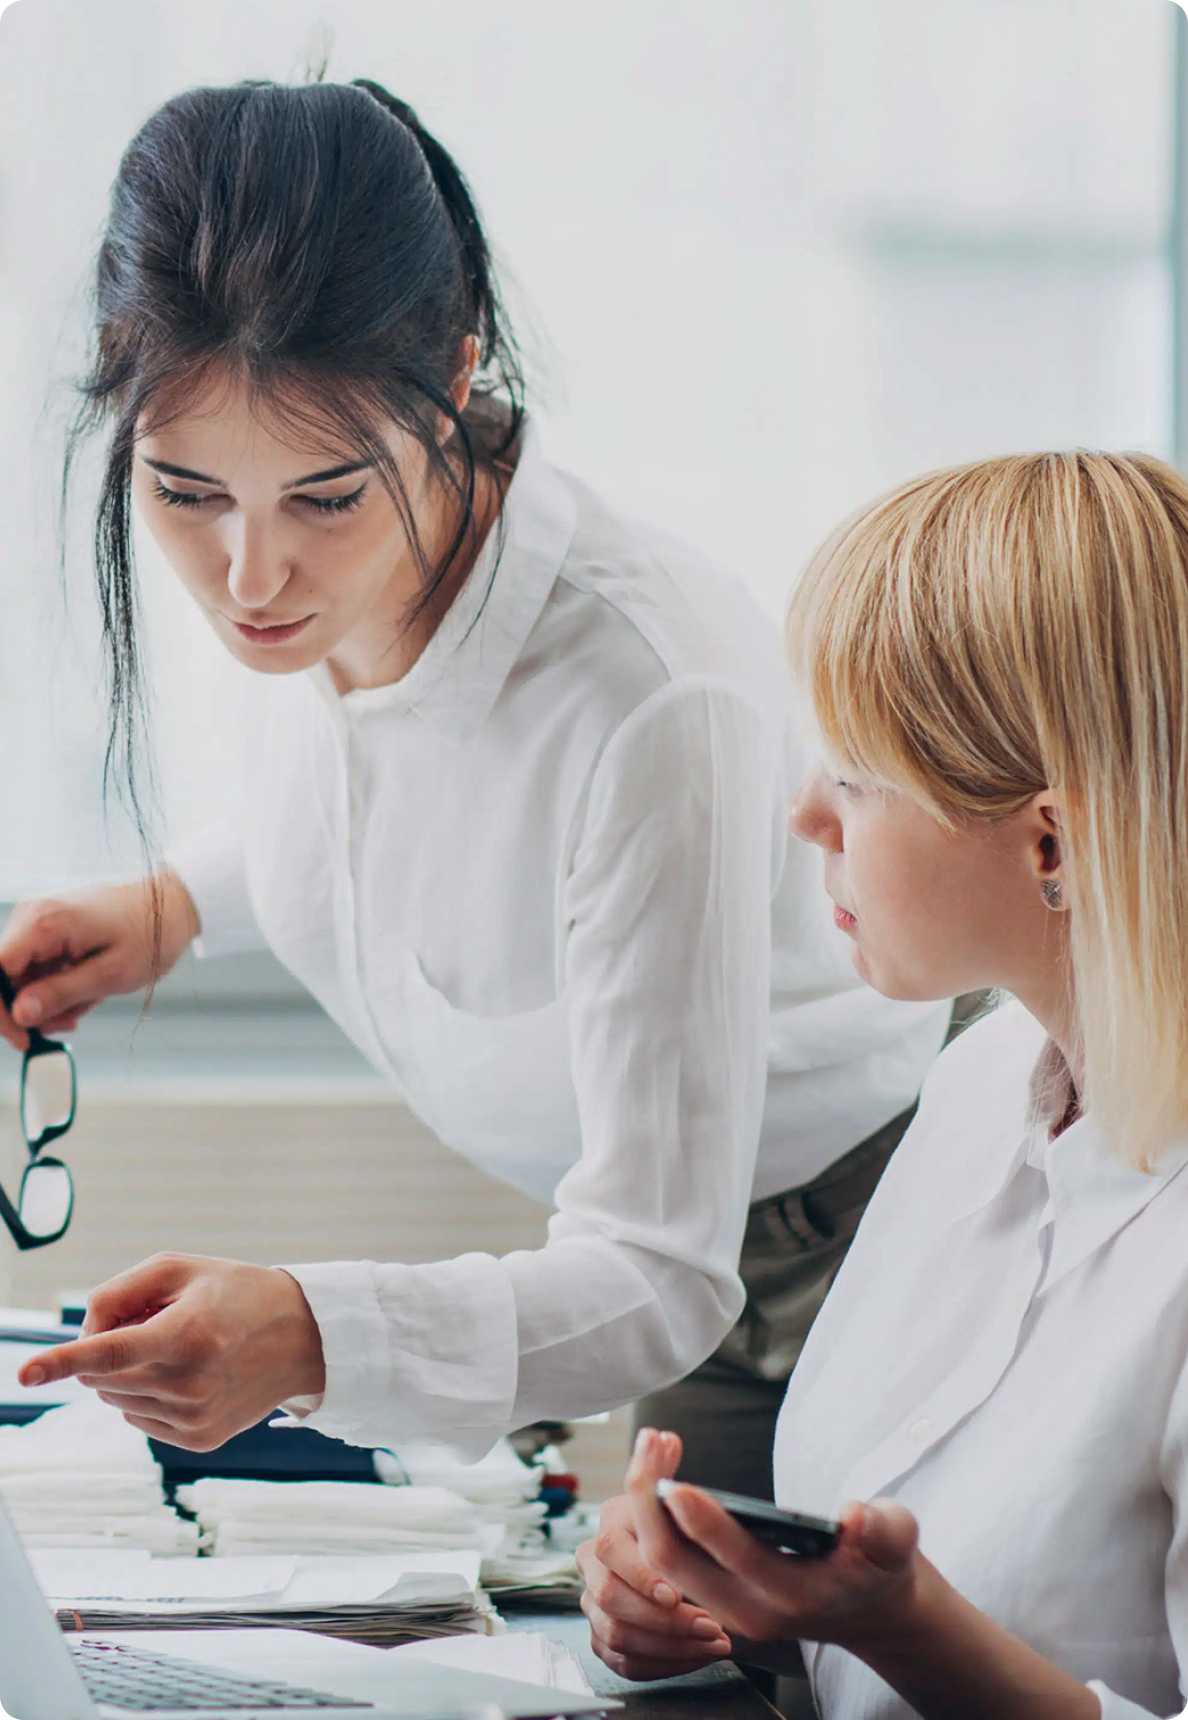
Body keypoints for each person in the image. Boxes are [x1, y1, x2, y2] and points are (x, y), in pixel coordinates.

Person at [1, 78, 946, 1471]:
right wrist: (174, 908)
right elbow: (392, 798)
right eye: (186, 493)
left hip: (851, 1241)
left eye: (326, 495)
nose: (248, 576)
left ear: (454, 380)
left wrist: (310, 1335)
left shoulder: (646, 698)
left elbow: (658, 1269)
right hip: (674, 1250)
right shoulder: (334, 584)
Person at [578, 450, 1188, 1720]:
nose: (807, 813)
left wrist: (910, 1631)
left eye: (856, 772)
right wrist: (719, 1604)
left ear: (1053, 842)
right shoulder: (978, 1083)